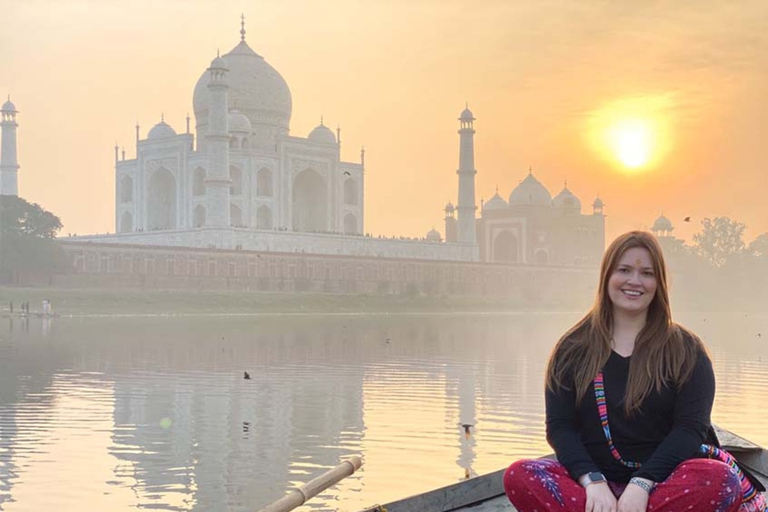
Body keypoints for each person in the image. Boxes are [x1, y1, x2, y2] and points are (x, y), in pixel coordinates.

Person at [503, 231, 766, 512]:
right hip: (592, 487)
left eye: (647, 273)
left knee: (720, 480)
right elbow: (560, 427)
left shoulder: (686, 350)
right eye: (625, 270)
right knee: (519, 475)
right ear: (607, 277)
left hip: (664, 482)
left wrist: (642, 483)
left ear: (658, 283)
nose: (634, 281)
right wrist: (593, 482)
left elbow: (690, 429)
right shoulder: (573, 348)